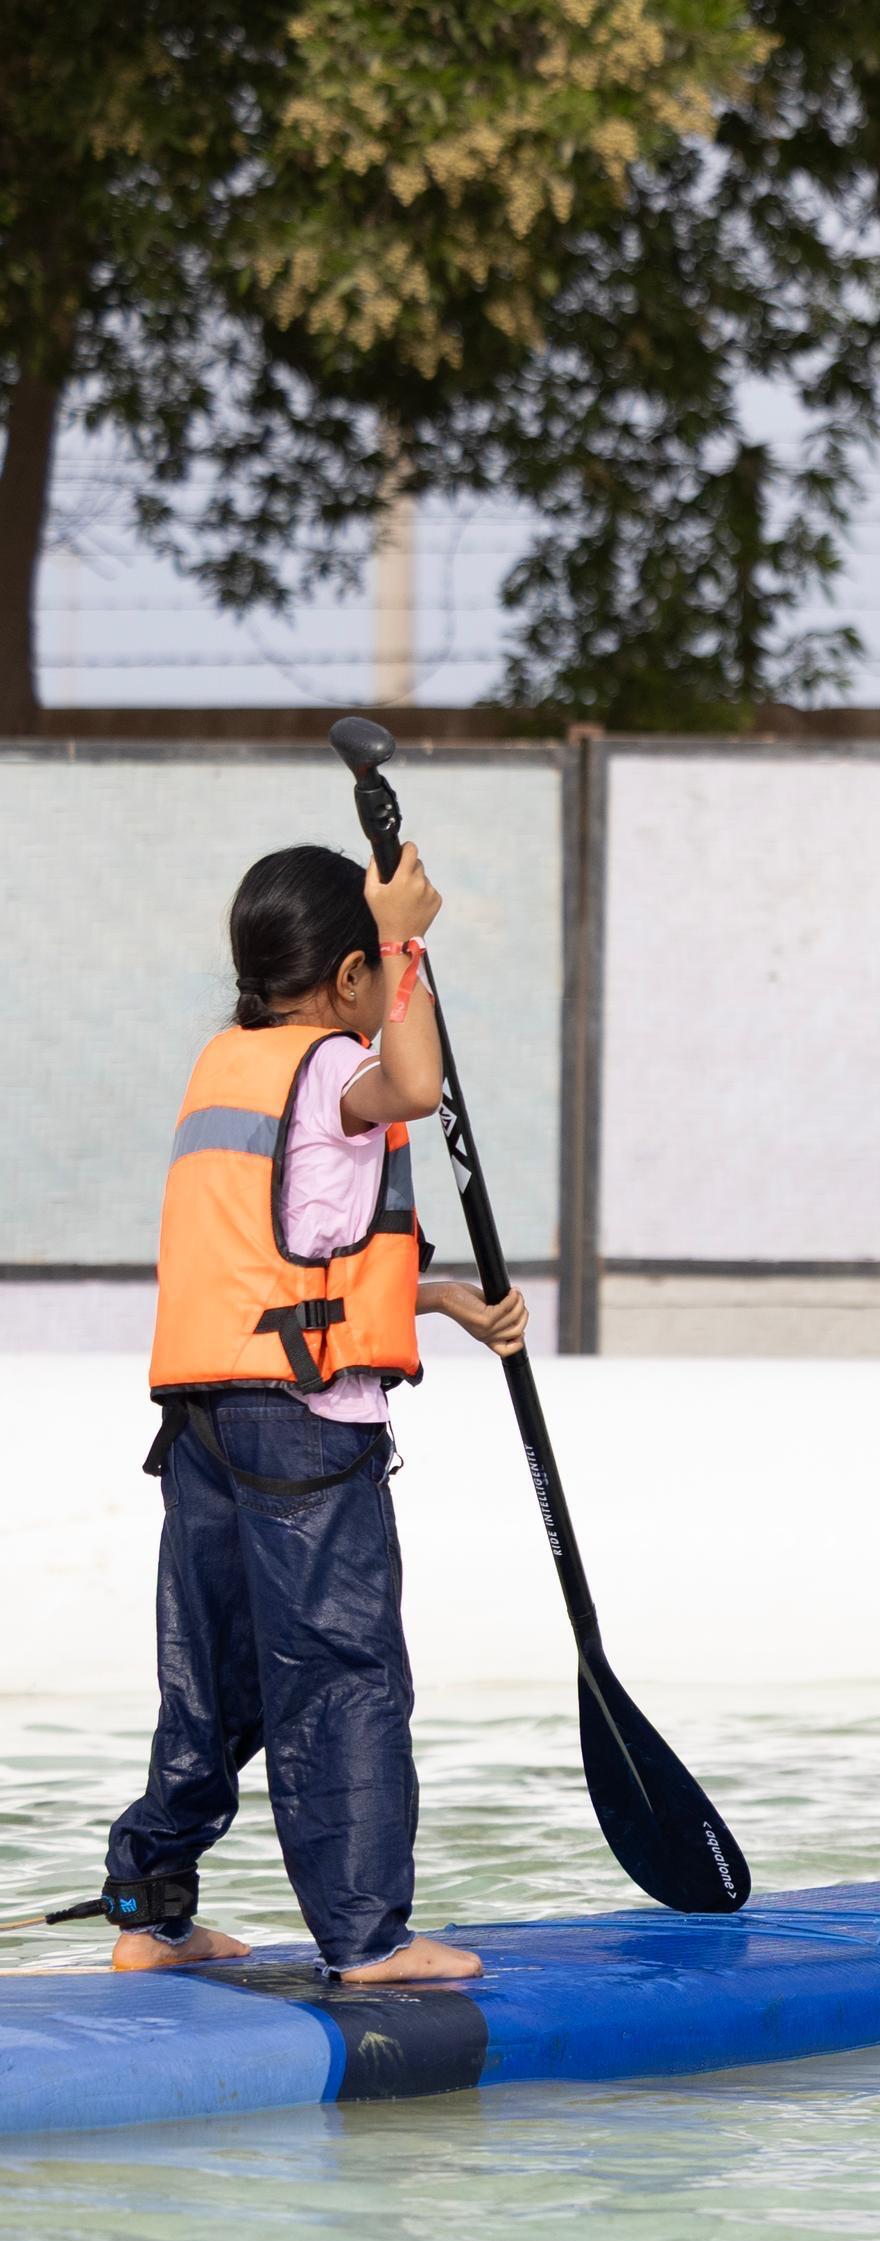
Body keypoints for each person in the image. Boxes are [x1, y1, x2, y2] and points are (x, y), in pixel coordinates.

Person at [105, 838, 527, 1983]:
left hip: (203, 1422)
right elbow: (415, 1084)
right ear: (349, 979)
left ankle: (151, 1907)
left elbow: (289, 1245)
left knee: (216, 1673)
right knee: (339, 1670)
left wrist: (433, 1298)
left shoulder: (226, 1061)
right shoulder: (339, 1065)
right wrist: (409, 942)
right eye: (375, 975)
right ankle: (366, 1937)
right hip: (304, 1429)